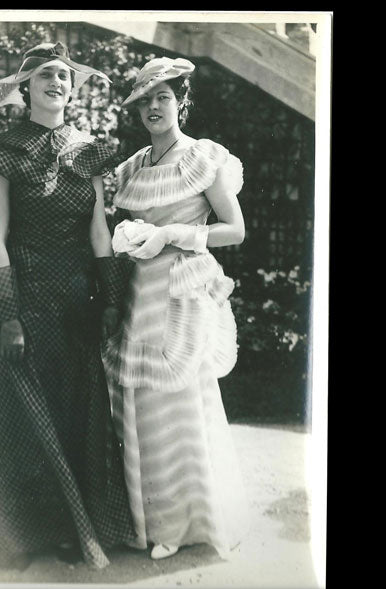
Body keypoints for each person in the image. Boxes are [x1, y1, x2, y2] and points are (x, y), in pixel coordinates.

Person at [0, 42, 136, 570]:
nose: (57, 83)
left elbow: (102, 231)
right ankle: (22, 536)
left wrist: (109, 299)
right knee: (25, 420)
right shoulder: (3, 152)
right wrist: (8, 314)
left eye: (64, 76)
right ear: (26, 88)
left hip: (78, 303)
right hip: (28, 302)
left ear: (73, 89)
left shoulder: (93, 151)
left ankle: (73, 533)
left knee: (78, 415)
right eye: (46, 76)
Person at [101, 57, 251, 561]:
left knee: (180, 405)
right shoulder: (133, 166)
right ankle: (147, 522)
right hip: (140, 293)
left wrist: (175, 234)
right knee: (142, 407)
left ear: (180, 100)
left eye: (162, 97)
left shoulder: (200, 157)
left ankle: (185, 523)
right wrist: (127, 234)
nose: (153, 108)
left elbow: (235, 229)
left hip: (182, 290)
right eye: (145, 101)